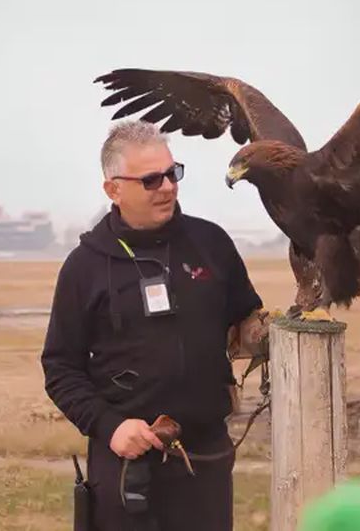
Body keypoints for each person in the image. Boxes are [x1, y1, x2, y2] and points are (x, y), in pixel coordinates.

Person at [41, 119, 265, 531]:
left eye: (172, 173)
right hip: (126, 461)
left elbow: (247, 321)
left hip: (204, 460)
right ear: (113, 189)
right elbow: (60, 369)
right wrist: (109, 427)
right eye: (150, 180)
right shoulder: (85, 266)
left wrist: (269, 335)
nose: (167, 187)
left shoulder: (211, 243)